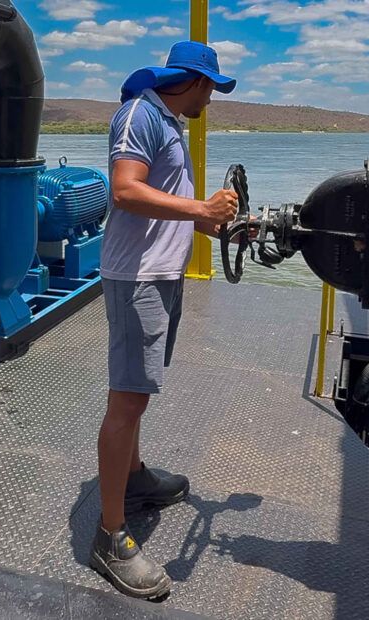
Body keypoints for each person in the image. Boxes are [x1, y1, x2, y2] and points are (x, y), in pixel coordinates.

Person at [89, 41, 239, 600]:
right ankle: (109, 535)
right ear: (196, 81)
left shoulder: (167, 120)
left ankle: (133, 478)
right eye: (213, 90)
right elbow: (125, 191)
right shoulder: (140, 115)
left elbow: (164, 198)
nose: (212, 100)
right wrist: (201, 210)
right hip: (137, 280)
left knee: (140, 393)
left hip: (161, 275)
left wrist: (211, 225)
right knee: (126, 400)